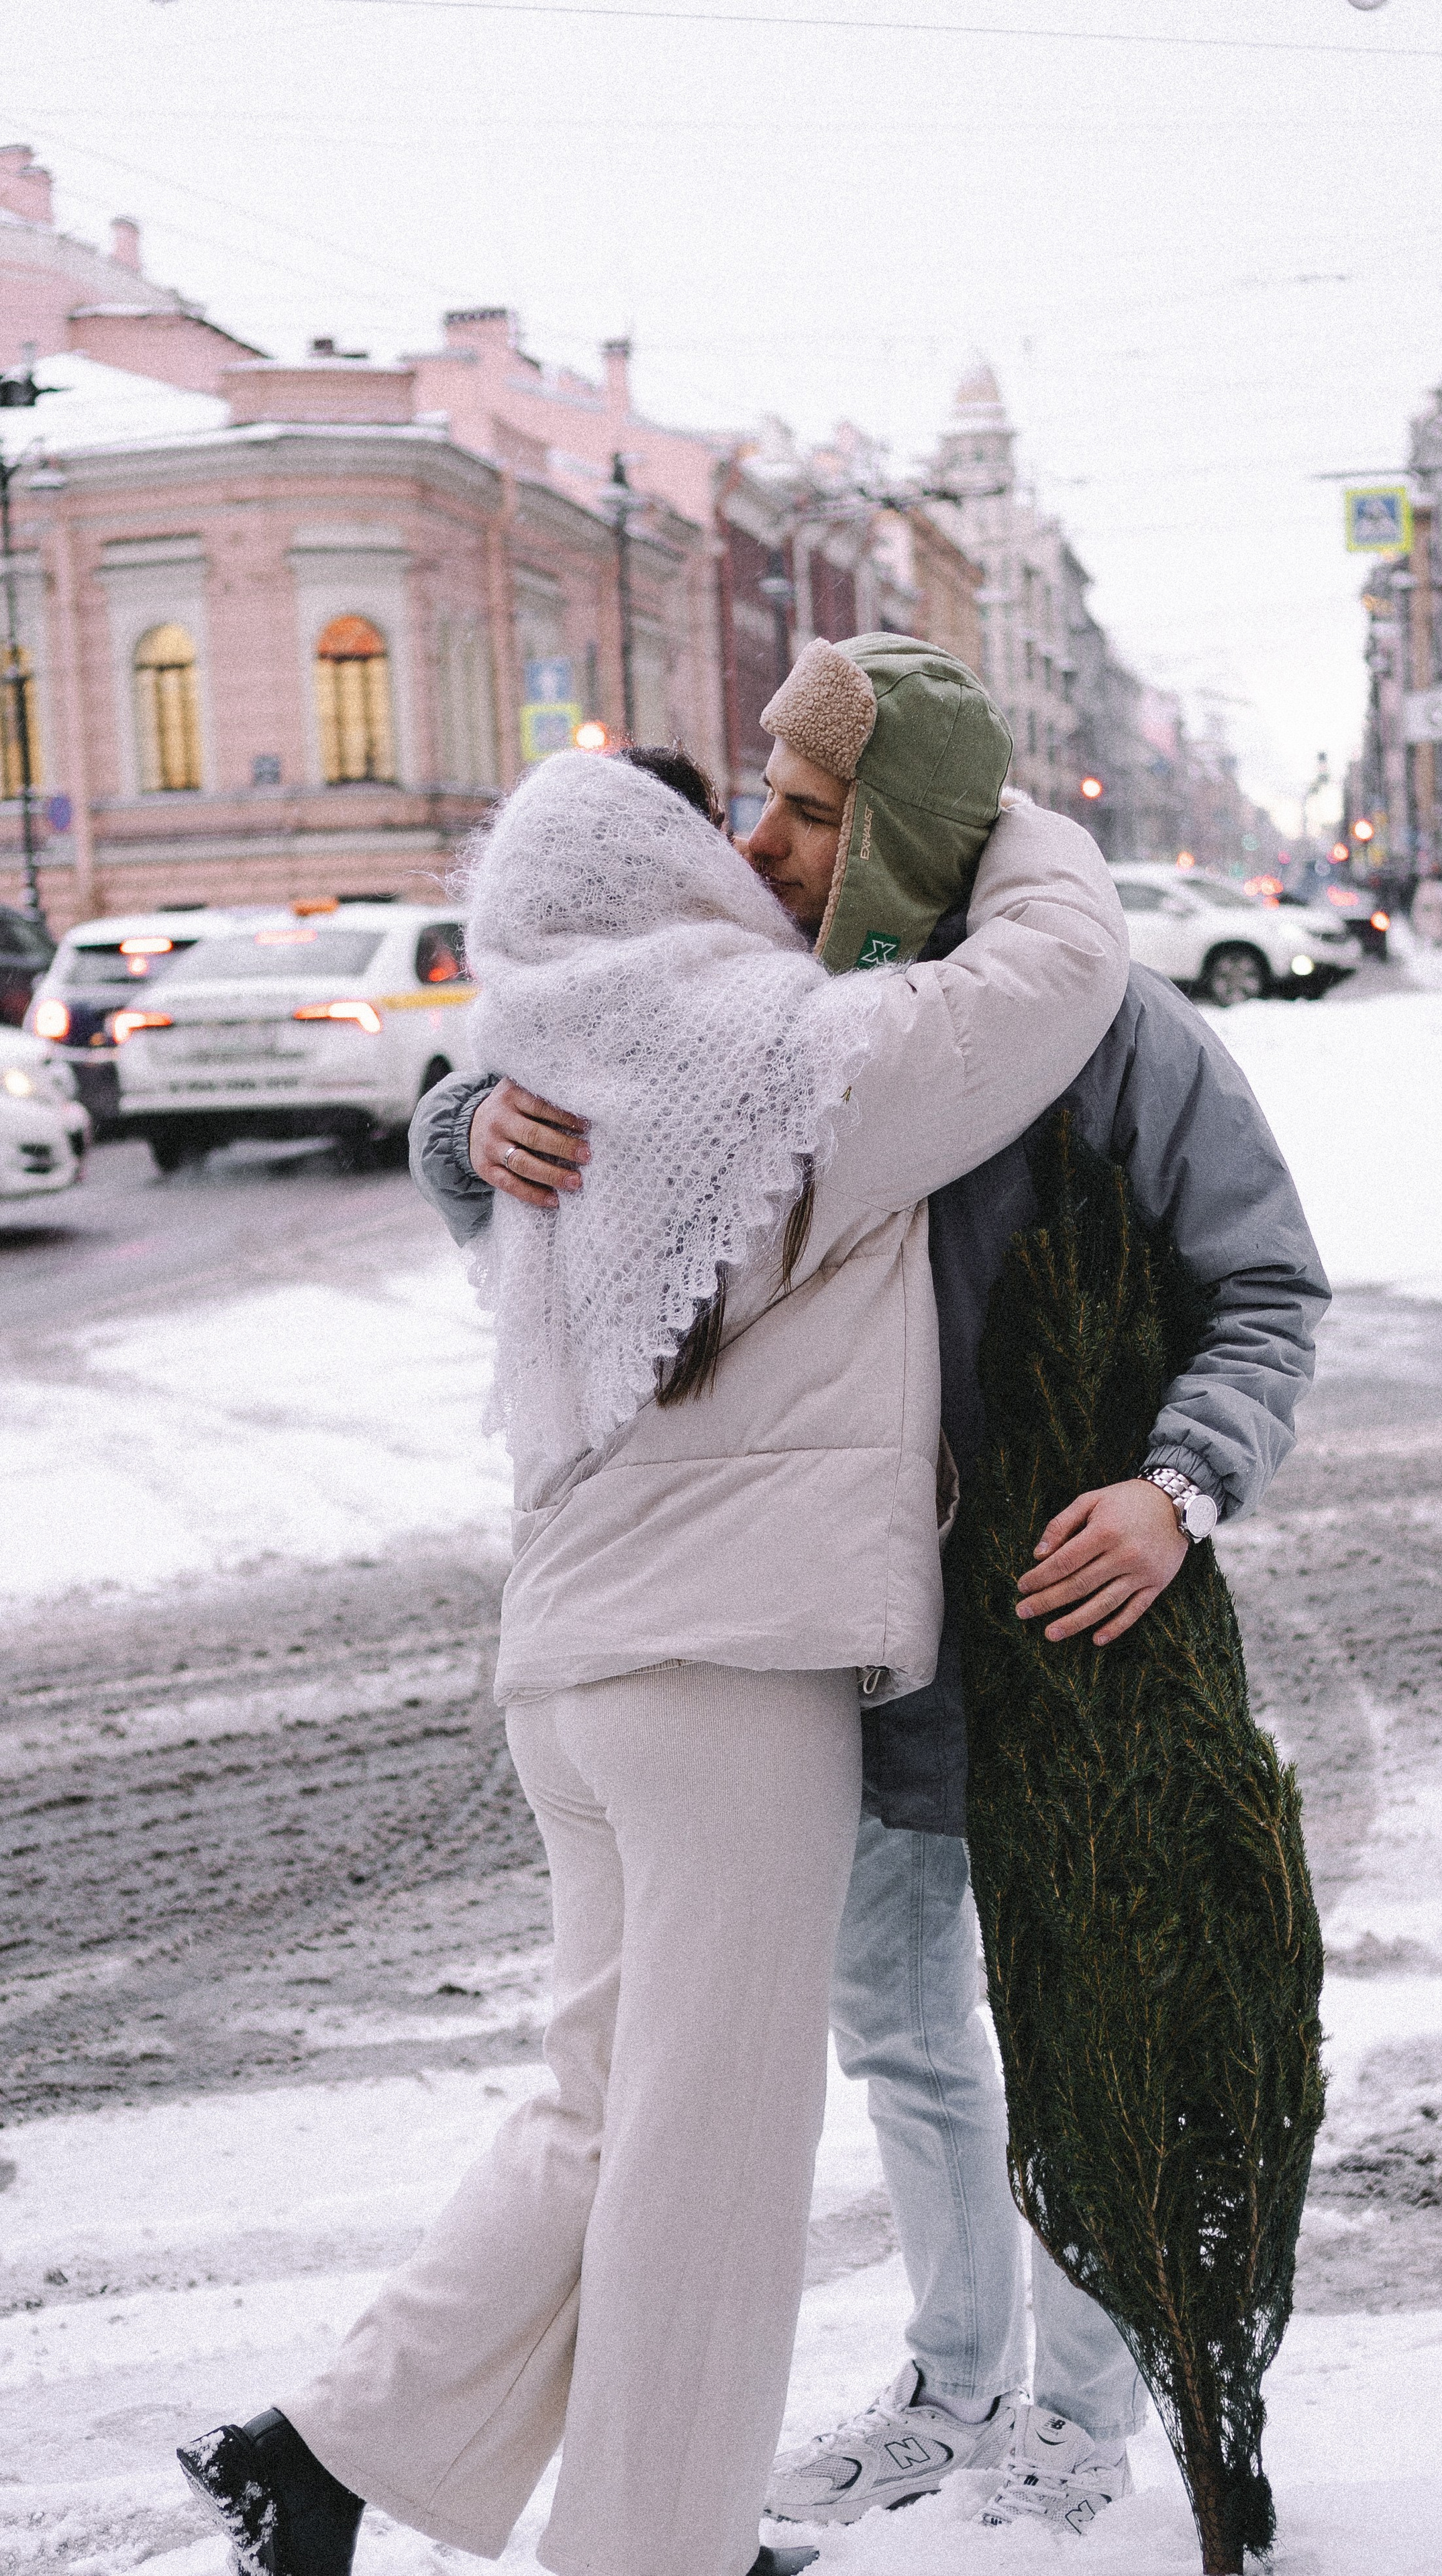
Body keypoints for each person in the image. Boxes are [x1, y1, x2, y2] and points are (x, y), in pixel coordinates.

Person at [175, 687, 1131, 2576]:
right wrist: (987, 811)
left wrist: (456, 1116)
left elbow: (474, 1151)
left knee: (607, 2108)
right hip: (729, 1684)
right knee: (715, 2161)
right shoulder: (803, 1067)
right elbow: (1066, 966)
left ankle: (324, 2448)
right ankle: (653, 2553)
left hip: (575, 1674)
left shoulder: (546, 1063)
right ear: (681, 875)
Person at [412, 635, 1329, 2543]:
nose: (765, 842)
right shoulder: (759, 1006)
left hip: (1077, 1637)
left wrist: (1177, 1490)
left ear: (903, 822)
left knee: (1082, 2018)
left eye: (813, 809)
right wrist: (460, 1125)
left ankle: (1077, 2418)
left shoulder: (1111, 1037)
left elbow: (1267, 1288)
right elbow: (547, 1085)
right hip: (824, 1657)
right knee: (899, 2037)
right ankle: (954, 2376)